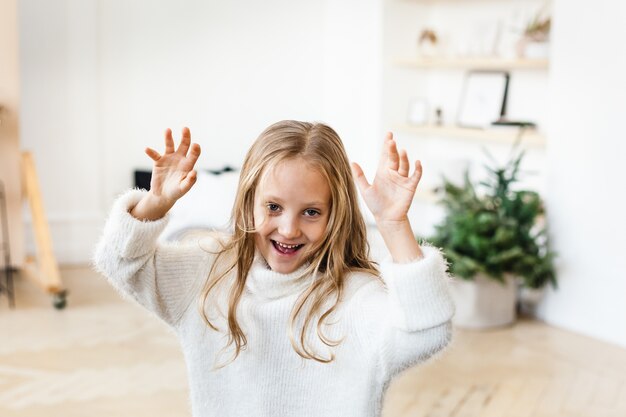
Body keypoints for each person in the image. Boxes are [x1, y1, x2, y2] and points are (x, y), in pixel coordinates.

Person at [93, 120, 455, 417]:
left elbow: (428, 330)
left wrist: (394, 224)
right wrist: (154, 205)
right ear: (248, 200)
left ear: (335, 215)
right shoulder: (208, 271)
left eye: (311, 212)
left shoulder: (355, 297)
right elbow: (120, 262)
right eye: (273, 207)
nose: (288, 229)